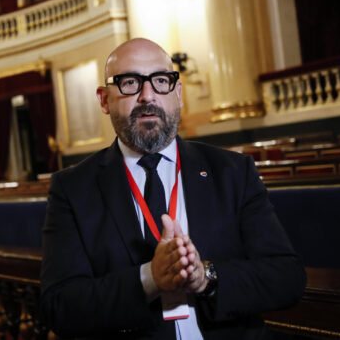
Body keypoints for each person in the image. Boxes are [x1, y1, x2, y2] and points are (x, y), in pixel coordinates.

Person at [40, 38, 305, 339]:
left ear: (178, 94)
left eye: (161, 81)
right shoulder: (72, 189)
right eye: (129, 82)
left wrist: (205, 276)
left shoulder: (233, 171)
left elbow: (287, 278)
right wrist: (149, 278)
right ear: (104, 99)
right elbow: (59, 307)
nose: (147, 96)